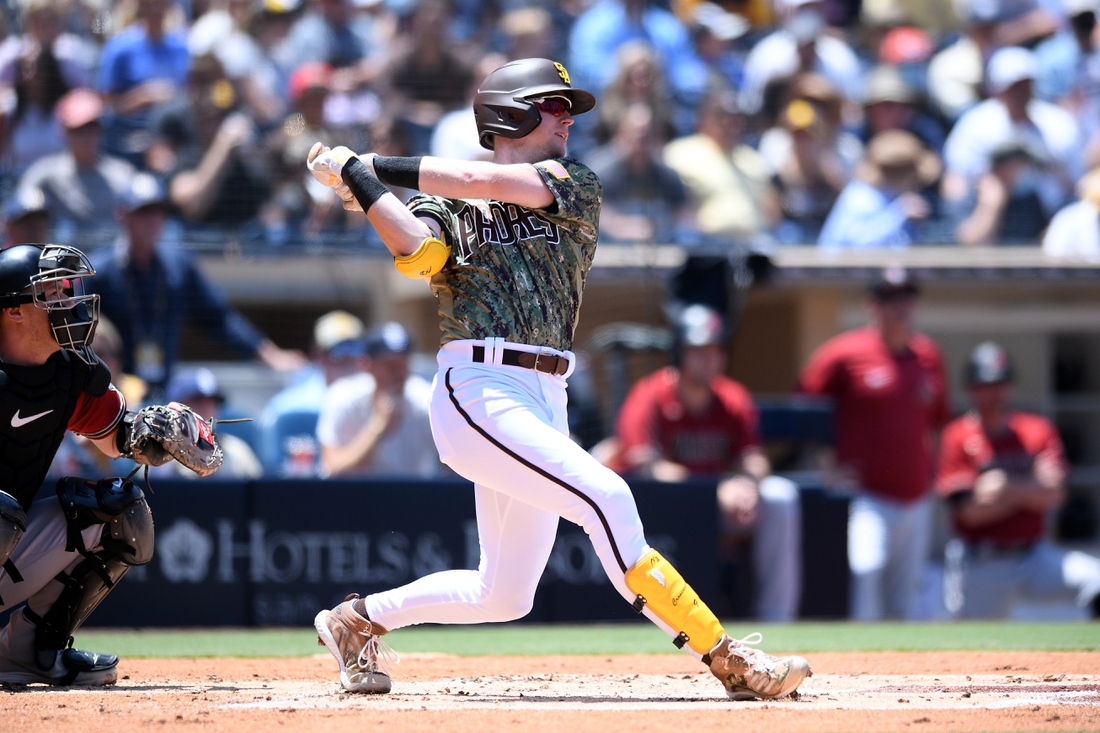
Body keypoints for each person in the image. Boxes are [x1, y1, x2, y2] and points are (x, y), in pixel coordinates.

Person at [304, 57, 810, 699]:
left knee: (504, 593)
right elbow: (416, 252)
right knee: (610, 498)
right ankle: (726, 656)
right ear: (510, 112)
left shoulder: (574, 181)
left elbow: (474, 176)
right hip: (478, 387)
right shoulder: (449, 206)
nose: (568, 116)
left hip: (545, 394)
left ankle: (358, 620)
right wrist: (365, 185)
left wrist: (368, 167)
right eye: (554, 104)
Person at [0, 243, 223, 685]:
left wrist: (155, 435)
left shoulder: (71, 373)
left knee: (121, 512)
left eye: (66, 290)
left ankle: (28, 651)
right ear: (15, 312)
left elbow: (118, 437)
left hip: (10, 538)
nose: (69, 302)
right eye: (52, 294)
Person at [612, 304, 802, 621]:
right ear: (680, 353)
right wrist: (714, 490)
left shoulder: (732, 397)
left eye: (716, 349)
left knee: (779, 496)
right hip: (662, 509)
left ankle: (776, 616)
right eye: (699, 350)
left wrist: (748, 486)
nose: (709, 358)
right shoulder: (650, 394)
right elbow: (645, 466)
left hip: (716, 506)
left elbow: (753, 458)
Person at [797, 267, 950, 620]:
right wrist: (825, 466)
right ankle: (855, 671)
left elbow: (939, 421)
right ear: (873, 304)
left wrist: (933, 474)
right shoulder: (844, 353)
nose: (901, 305)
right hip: (866, 495)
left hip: (916, 496)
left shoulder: (928, 355)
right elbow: (804, 411)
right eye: (890, 297)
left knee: (906, 601)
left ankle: (899, 674)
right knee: (864, 574)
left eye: (907, 297)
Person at [91, 173, 304, 398]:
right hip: (109, 395)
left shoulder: (178, 266)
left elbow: (220, 319)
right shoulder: (98, 272)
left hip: (163, 391)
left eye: (158, 211)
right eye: (143, 212)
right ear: (122, 215)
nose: (152, 220)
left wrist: (270, 355)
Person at [937, 342, 1100, 618]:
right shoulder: (958, 435)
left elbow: (1055, 495)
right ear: (971, 389)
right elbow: (970, 513)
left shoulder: (1037, 429)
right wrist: (1031, 488)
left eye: (1000, 384)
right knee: (974, 650)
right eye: (986, 385)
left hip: (1033, 554)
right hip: (982, 562)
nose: (995, 393)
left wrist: (1003, 486)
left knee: (1095, 580)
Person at [316, 321, 438, 478]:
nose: (398, 373)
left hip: (413, 499)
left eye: (402, 364)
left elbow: (455, 469)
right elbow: (332, 471)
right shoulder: (342, 397)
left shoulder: (427, 401)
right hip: (354, 498)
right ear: (367, 365)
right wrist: (378, 426)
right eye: (389, 365)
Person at [17, 88, 137, 247]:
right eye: (79, 129)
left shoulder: (123, 174)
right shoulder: (45, 174)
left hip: (113, 265)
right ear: (65, 131)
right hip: (64, 264)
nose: (88, 136)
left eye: (93, 127)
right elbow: (18, 213)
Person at [257, 309, 368, 475]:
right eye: (337, 350)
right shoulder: (288, 408)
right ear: (318, 356)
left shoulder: (378, 399)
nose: (347, 358)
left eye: (354, 348)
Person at [662, 89, 778, 243]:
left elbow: (772, 210)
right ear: (704, 118)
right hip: (703, 250)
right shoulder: (679, 153)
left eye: (737, 117)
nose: (731, 123)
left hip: (752, 247)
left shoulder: (752, 159)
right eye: (723, 116)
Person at [817, 129, 940, 250]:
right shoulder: (861, 197)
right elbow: (855, 246)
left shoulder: (895, 197)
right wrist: (899, 214)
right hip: (838, 269)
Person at [154, 367, 263, 480]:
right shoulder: (154, 452)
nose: (206, 409)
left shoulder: (236, 451)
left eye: (212, 402)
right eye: (197, 401)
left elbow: (260, 494)